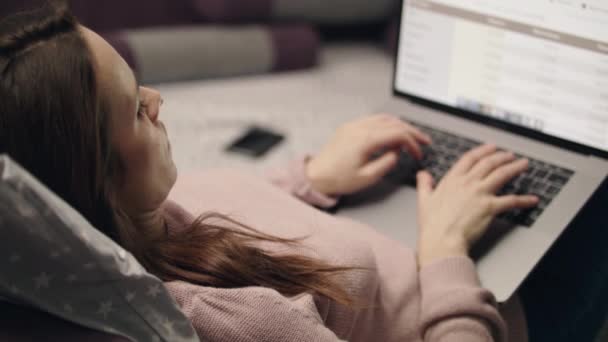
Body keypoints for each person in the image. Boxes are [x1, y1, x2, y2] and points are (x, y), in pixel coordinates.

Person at [0, 3, 544, 341]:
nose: (157, 98)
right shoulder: (242, 324)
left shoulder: (108, 236)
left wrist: (311, 180)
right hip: (474, 306)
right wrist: (447, 251)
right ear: (93, 181)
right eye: (136, 110)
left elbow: (211, 213)